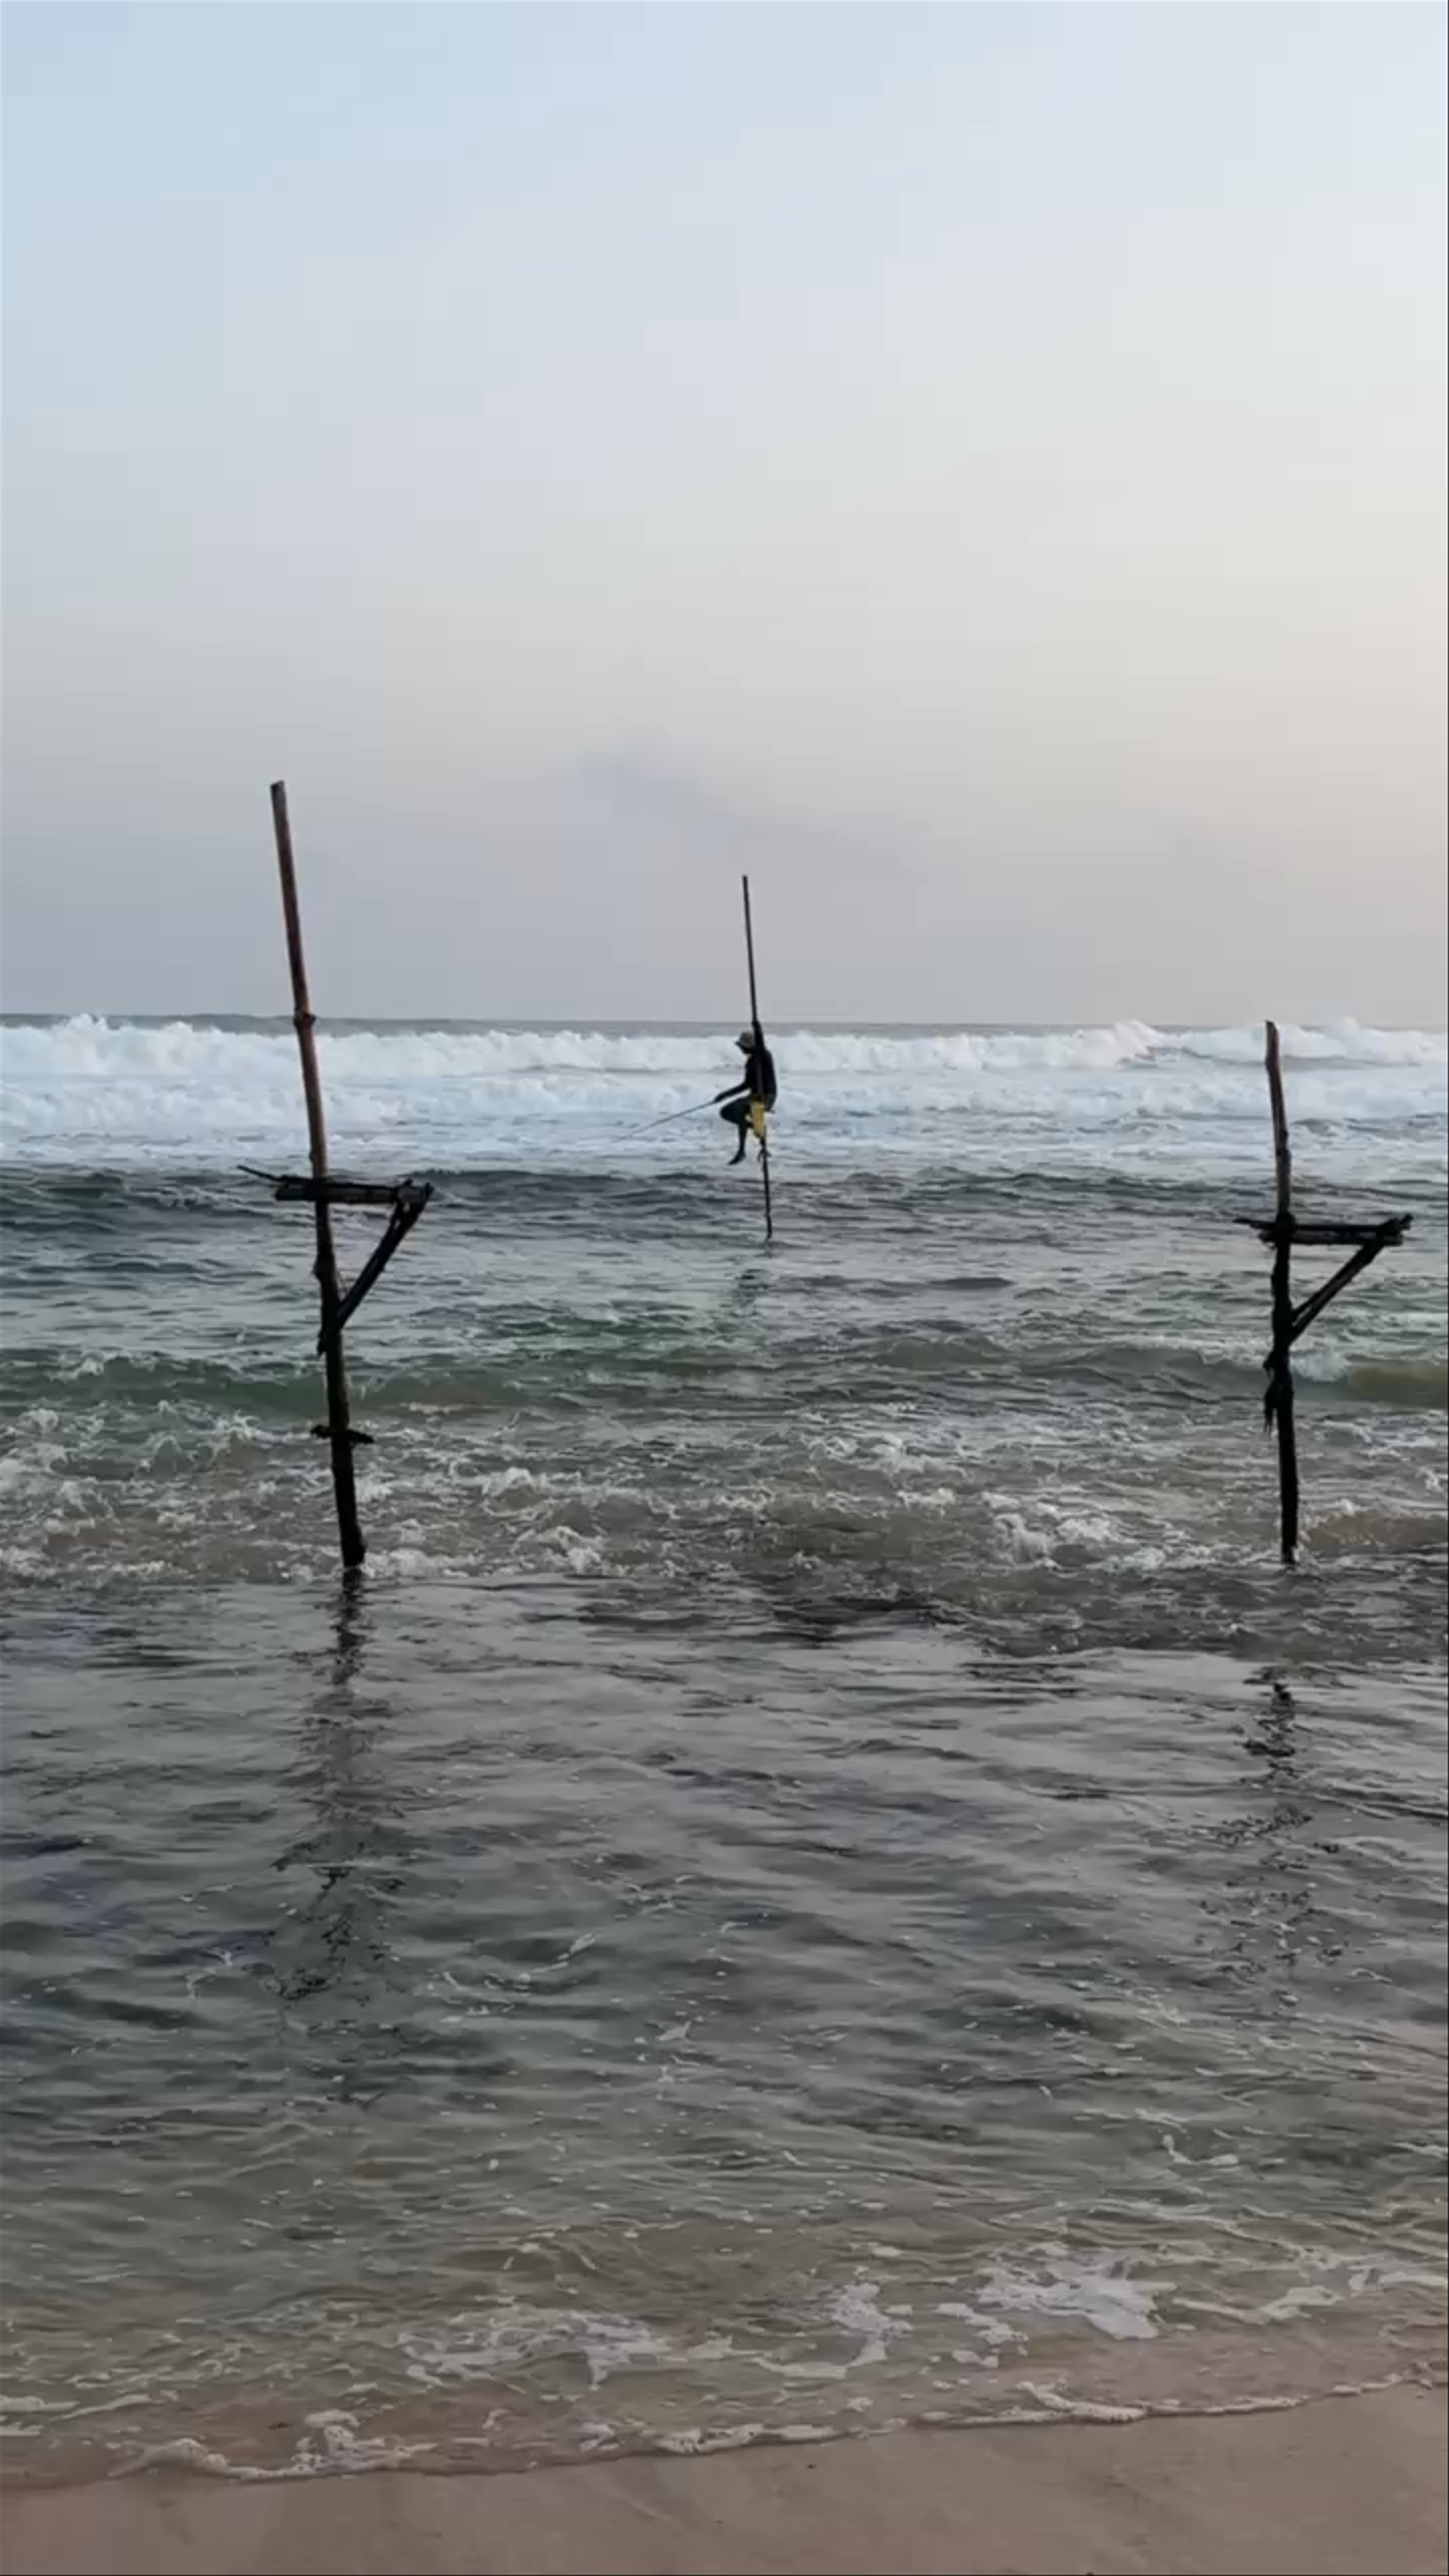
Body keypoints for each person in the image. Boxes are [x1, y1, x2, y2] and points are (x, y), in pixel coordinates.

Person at [715, 1024, 777, 1165]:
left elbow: (760, 1041)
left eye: (743, 1047)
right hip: (754, 1096)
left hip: (767, 1096)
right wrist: (724, 1095)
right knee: (726, 1112)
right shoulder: (750, 1062)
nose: (741, 1049)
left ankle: (743, 1149)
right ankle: (756, 1128)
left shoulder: (764, 1056)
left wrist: (756, 1026)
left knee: (743, 1109)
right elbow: (746, 1085)